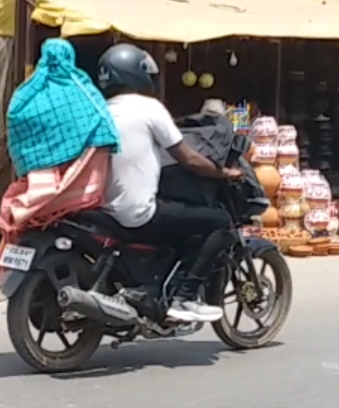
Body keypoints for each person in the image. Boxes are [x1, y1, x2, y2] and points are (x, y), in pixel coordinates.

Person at [96, 43, 242, 324]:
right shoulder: (149, 108)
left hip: (104, 211)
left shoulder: (101, 111)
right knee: (219, 221)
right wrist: (224, 173)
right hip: (138, 212)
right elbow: (188, 159)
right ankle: (184, 297)